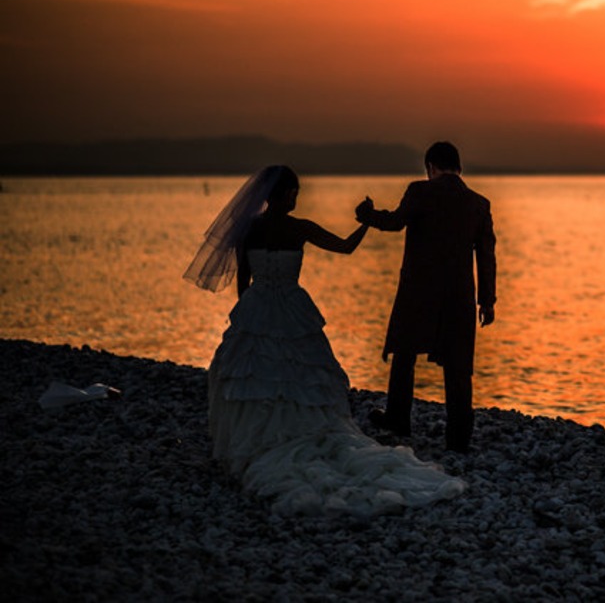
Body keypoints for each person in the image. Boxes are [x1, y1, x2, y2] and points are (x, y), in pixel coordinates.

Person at [184, 165, 464, 517]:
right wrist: (365, 221)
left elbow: (244, 282)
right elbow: (345, 247)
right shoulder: (300, 228)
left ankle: (256, 440)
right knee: (301, 375)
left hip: (256, 307)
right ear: (279, 195)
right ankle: (298, 434)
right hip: (291, 306)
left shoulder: (250, 230)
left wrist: (248, 317)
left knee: (253, 376)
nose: (296, 198)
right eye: (292, 193)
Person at [356, 141, 496, 453]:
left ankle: (397, 419)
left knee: (404, 353)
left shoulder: (419, 191)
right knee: (458, 365)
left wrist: (367, 215)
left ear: (430, 167)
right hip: (459, 294)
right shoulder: (479, 203)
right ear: (459, 168)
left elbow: (393, 223)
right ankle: (459, 437)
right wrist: (487, 300)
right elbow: (486, 256)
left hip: (419, 290)